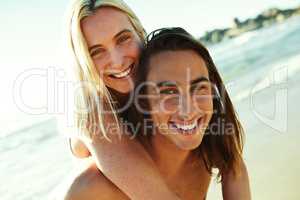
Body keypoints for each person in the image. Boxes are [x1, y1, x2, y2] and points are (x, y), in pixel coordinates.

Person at [63, 27, 251, 200]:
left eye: (199, 88)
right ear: (143, 101)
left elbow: (234, 167)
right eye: (168, 92)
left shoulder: (209, 148)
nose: (188, 109)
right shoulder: (92, 190)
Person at [63, 0, 181, 199]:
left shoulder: (167, 72)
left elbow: (230, 161)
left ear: (139, 31)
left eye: (123, 38)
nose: (117, 61)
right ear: (84, 61)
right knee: (89, 180)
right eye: (96, 52)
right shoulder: (94, 110)